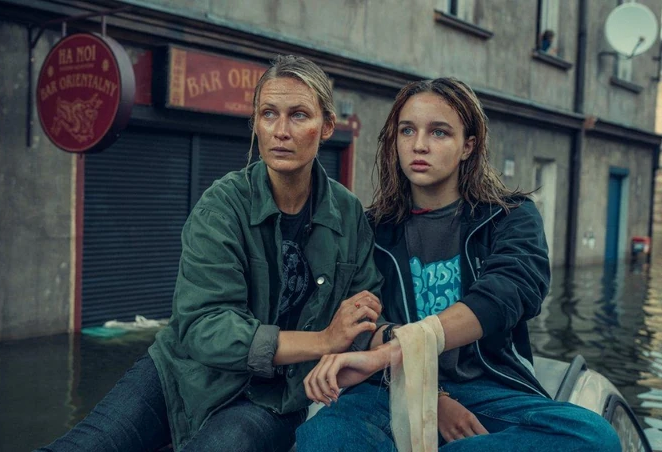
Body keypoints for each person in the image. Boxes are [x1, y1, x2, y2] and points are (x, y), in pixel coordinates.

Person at [38, 55, 383, 452]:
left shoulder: (348, 214)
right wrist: (323, 341)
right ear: (255, 123)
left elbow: (364, 313)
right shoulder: (222, 205)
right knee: (88, 444)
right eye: (269, 114)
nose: (281, 131)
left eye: (299, 115)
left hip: (274, 396)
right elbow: (205, 326)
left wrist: (365, 343)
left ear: (327, 126)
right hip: (183, 371)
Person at [296, 78, 621, 451]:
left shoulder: (509, 218)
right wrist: (431, 396)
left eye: (439, 132)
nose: (419, 145)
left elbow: (503, 297)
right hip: (388, 388)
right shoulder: (372, 229)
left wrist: (396, 350)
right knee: (321, 436)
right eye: (407, 130)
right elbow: (361, 321)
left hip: (485, 387)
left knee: (593, 437)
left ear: (468, 146)